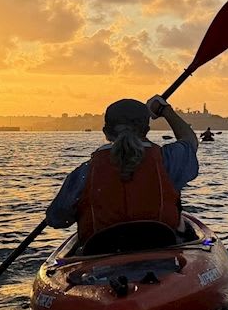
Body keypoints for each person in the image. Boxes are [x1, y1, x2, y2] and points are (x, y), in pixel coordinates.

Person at [45, 96, 199, 243]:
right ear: (146, 129)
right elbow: (190, 142)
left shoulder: (85, 173)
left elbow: (56, 219)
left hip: (100, 255)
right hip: (163, 249)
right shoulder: (167, 160)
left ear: (106, 132)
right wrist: (165, 110)